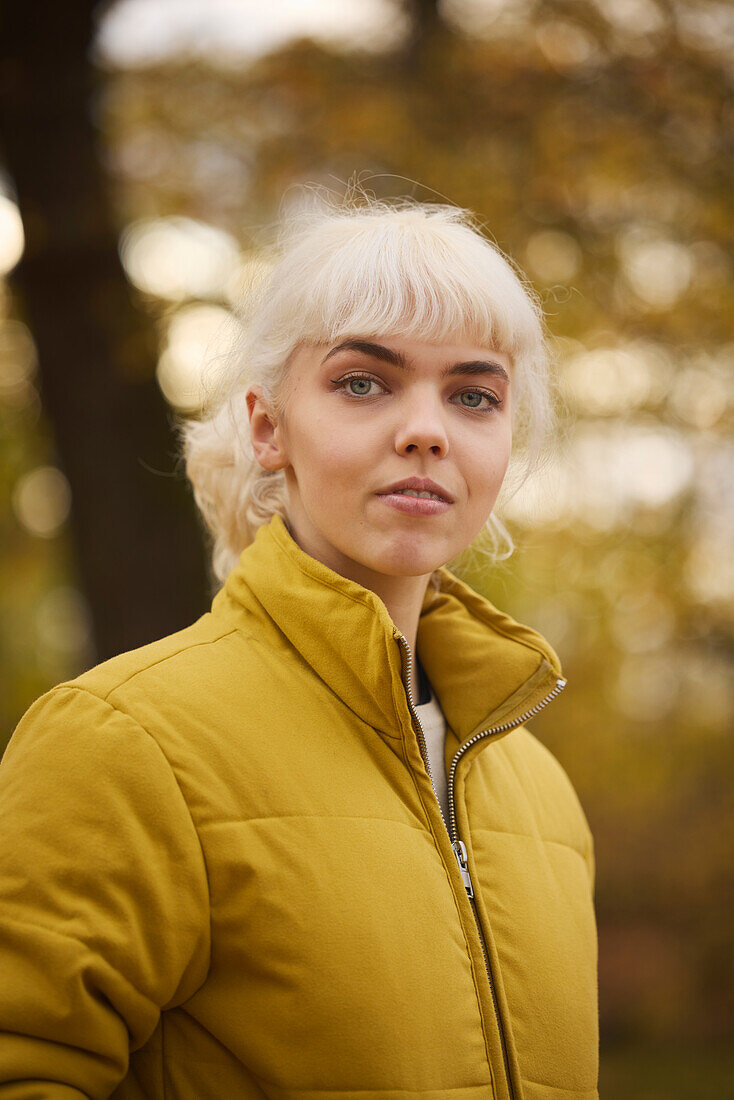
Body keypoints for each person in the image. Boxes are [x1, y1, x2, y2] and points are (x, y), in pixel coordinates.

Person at [0, 193, 599, 1099]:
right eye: (364, 381)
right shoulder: (123, 741)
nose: (427, 429)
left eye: (474, 395)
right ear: (267, 425)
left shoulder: (543, 792)